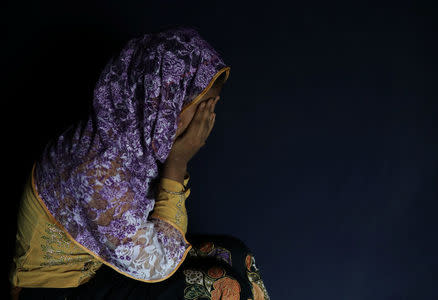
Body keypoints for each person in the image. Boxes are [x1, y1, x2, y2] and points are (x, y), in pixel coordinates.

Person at [9, 26, 270, 300]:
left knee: (235, 254)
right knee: (224, 288)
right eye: (204, 107)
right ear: (167, 102)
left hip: (106, 266)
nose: (207, 122)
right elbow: (159, 265)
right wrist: (178, 163)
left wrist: (175, 162)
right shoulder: (99, 172)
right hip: (54, 292)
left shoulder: (131, 142)